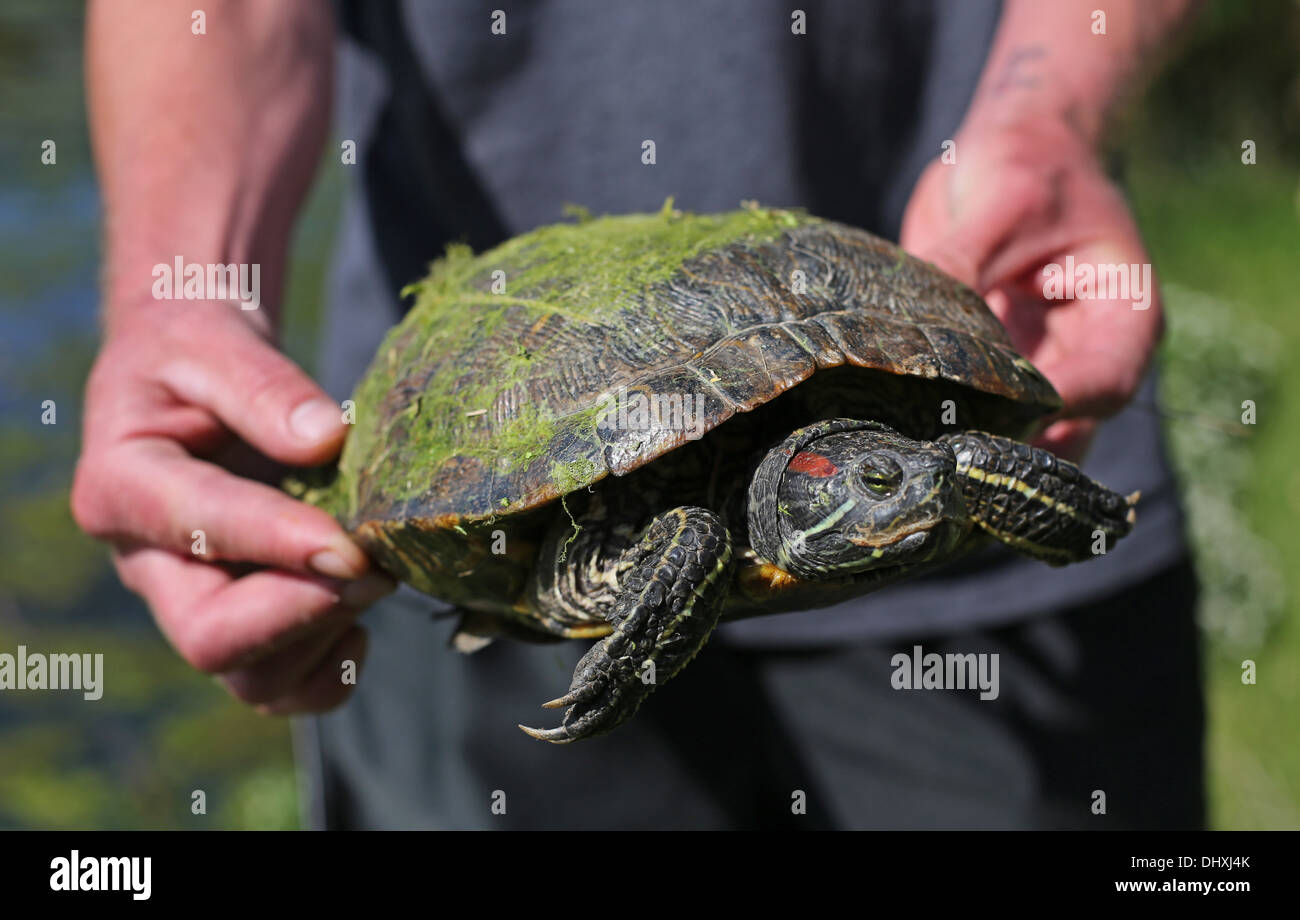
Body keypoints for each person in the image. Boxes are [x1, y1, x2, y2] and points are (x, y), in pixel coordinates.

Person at [74, 0, 1203, 828]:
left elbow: (944, 461)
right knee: (689, 532)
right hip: (511, 469)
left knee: (940, 467)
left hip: (1008, 503)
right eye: (872, 481)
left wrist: (1051, 112)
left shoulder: (931, 467)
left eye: (881, 473)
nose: (910, 479)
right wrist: (185, 293)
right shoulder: (698, 525)